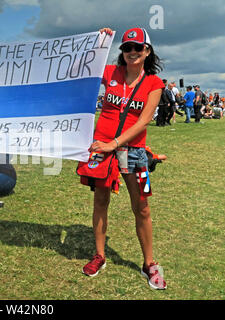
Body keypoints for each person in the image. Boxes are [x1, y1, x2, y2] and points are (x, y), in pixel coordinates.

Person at [81, 27, 167, 290]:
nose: (131, 52)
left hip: (135, 153)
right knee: (100, 202)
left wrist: (114, 144)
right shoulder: (110, 73)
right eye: (126, 48)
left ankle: (149, 264)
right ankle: (100, 255)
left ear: (147, 51)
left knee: (142, 207)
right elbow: (80, 67)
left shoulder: (154, 83)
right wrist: (98, 41)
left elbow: (143, 122)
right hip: (100, 152)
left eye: (137, 48)